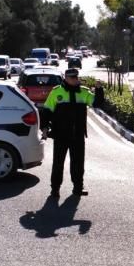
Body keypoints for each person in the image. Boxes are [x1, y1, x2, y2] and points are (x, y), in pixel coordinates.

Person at [40, 67, 95, 198]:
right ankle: (55, 189)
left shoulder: (84, 92)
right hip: (60, 134)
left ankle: (78, 187)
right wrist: (45, 127)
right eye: (72, 78)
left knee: (78, 163)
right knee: (58, 163)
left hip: (78, 134)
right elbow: (47, 111)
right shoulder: (56, 92)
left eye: (76, 77)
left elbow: (97, 103)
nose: (75, 80)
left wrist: (99, 90)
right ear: (66, 78)